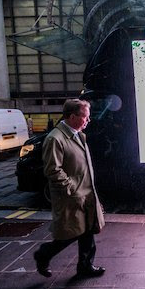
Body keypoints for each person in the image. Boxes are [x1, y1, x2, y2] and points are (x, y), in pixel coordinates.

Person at [33, 99, 105, 278]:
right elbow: (52, 170)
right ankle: (43, 254)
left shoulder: (78, 134)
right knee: (70, 234)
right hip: (71, 196)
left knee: (88, 230)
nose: (88, 121)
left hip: (86, 193)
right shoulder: (55, 138)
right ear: (73, 117)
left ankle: (85, 266)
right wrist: (72, 188)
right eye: (85, 117)